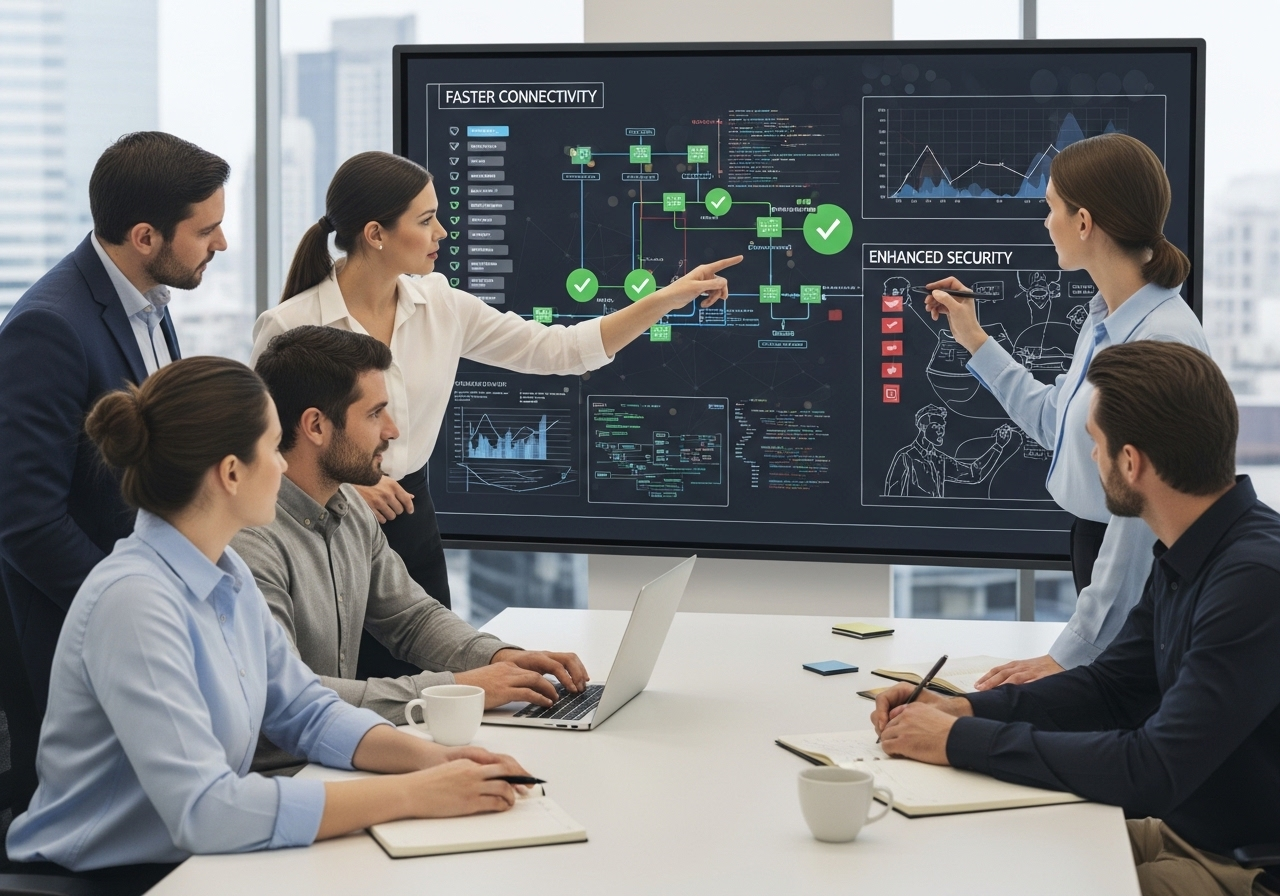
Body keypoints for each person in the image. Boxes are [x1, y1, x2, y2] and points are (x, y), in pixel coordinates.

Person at [4, 356, 530, 894]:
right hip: (100, 879)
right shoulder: (134, 602)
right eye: (273, 449)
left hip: (191, 863)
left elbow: (304, 710)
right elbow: (206, 809)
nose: (284, 468)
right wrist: (418, 794)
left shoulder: (223, 572)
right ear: (231, 473)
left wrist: (437, 759)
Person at [251, 150, 740, 677]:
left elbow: (561, 350)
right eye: (425, 220)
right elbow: (261, 450)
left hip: (411, 518)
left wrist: (667, 298)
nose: (441, 231)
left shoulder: (440, 304)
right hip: (326, 521)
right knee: (334, 688)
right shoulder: (290, 325)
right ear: (375, 233)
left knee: (423, 679)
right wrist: (348, 489)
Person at [872, 342, 1280, 896]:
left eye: (1095, 442)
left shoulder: (1253, 579)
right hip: (1189, 833)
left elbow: (1151, 769)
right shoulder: (1193, 546)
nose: (1090, 457)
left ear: (1131, 462)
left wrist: (958, 739)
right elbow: (1112, 688)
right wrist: (962, 707)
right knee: (986, 849)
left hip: (1244, 868)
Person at [233, 326, 590, 771]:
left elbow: (413, 619)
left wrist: (501, 658)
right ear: (316, 425)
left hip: (337, 756)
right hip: (282, 775)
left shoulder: (350, 510)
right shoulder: (250, 541)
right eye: (375, 413)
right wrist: (456, 689)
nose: (393, 430)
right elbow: (285, 695)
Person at [922, 132, 1209, 686]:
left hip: (1128, 564)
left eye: (1049, 206)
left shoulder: (1157, 342)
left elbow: (1137, 523)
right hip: (1094, 546)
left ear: (1083, 222)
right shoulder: (1105, 321)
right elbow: (1056, 422)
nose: (1044, 221)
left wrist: (1068, 654)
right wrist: (975, 338)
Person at [0, 132, 229, 717]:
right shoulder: (48, 329)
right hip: (83, 637)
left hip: (153, 618)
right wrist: (133, 610)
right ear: (145, 237)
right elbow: (26, 520)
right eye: (205, 231)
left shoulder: (151, 301)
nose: (221, 243)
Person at [883, 404, 1017, 497]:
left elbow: (973, 474)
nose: (941, 431)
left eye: (943, 426)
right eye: (936, 426)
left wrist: (998, 446)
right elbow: (892, 498)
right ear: (922, 426)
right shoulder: (906, 456)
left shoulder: (939, 459)